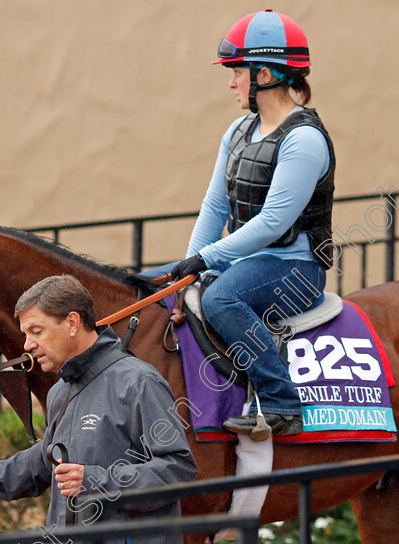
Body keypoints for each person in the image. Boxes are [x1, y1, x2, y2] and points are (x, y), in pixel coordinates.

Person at [170, 10, 335, 439]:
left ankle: (282, 404)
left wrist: (208, 260)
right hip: (249, 262)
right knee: (160, 284)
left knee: (220, 299)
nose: (231, 83)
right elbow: (213, 208)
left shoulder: (304, 139)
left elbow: (272, 223)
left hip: (296, 268)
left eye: (237, 72)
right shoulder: (238, 130)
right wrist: (190, 264)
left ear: (264, 73)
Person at [0, 275, 197, 543]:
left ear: (72, 323)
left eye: (36, 332)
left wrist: (96, 481)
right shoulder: (59, 391)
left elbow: (178, 470)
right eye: (26, 334)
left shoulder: (139, 382)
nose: (27, 345)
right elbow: (43, 461)